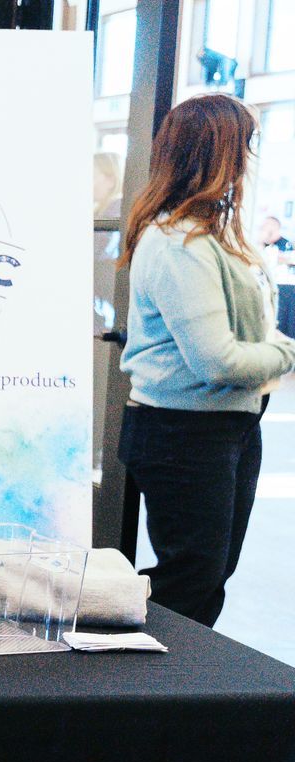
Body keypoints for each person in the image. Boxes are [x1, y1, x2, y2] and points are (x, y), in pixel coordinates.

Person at [119, 94, 295, 626]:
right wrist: (287, 351)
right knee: (191, 577)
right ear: (219, 155)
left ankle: (173, 673)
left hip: (226, 427)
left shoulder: (215, 237)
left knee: (209, 575)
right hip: (183, 432)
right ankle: (137, 668)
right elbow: (217, 361)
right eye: (245, 147)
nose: (249, 160)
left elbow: (243, 337)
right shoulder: (178, 242)